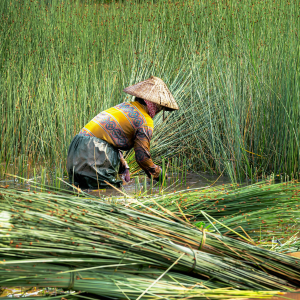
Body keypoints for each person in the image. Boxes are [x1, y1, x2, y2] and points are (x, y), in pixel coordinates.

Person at [66, 76, 179, 189]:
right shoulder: (145, 120)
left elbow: (107, 137)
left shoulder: (124, 106)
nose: (159, 111)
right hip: (95, 150)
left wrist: (123, 164)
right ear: (154, 104)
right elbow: (142, 157)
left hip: (76, 146)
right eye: (160, 107)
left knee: (81, 192)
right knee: (107, 194)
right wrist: (158, 173)